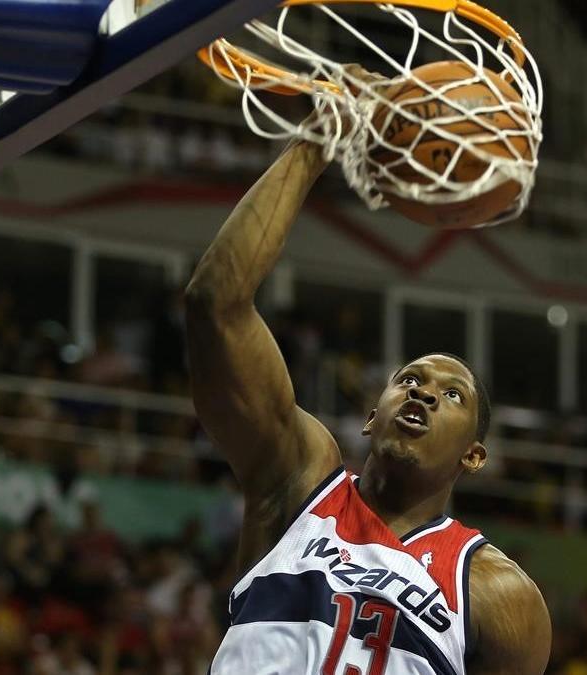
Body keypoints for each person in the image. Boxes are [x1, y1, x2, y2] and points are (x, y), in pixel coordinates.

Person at [185, 129, 551, 674]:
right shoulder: (299, 484)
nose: (424, 392)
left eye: (451, 395)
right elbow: (216, 303)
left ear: (473, 456)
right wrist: (312, 144)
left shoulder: (497, 593)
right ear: (369, 418)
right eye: (408, 380)